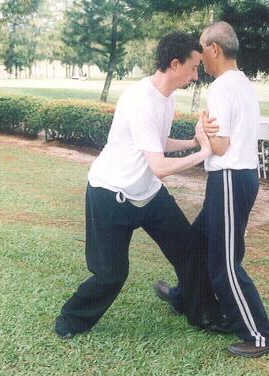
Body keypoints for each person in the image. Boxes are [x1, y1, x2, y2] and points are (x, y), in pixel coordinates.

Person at [55, 32, 225, 339]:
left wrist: (193, 141)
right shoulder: (140, 100)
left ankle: (203, 314)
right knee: (111, 275)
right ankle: (70, 321)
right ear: (175, 64)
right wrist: (203, 153)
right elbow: (159, 167)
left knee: (188, 249)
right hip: (111, 193)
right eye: (193, 67)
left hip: (148, 195)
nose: (196, 75)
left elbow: (156, 144)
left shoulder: (167, 98)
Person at [157, 22, 269, 358]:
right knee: (195, 242)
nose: (199, 59)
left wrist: (203, 132)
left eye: (202, 50)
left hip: (229, 176)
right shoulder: (241, 83)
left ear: (214, 49)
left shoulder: (222, 89)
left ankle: (263, 337)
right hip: (234, 179)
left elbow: (222, 146)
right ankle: (185, 296)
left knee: (224, 264)